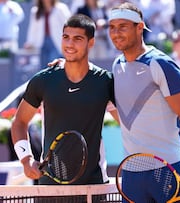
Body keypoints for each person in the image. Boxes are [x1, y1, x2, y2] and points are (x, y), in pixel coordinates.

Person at [108, 2, 180, 202]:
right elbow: (127, 117)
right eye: (112, 27)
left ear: (139, 27)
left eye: (123, 27)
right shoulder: (117, 65)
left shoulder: (160, 63)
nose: (116, 33)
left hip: (169, 169)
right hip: (132, 174)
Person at [11, 14, 118, 186]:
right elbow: (19, 122)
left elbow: (128, 125)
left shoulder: (105, 82)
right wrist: (26, 160)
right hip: (50, 187)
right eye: (66, 37)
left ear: (91, 43)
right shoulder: (43, 80)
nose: (69, 44)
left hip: (93, 185)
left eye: (77, 39)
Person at [23, 0, 71, 68]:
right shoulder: (36, 10)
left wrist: (69, 41)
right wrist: (30, 42)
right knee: (43, 66)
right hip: (41, 43)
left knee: (54, 65)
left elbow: (68, 26)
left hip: (57, 41)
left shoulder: (60, 8)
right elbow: (33, 28)